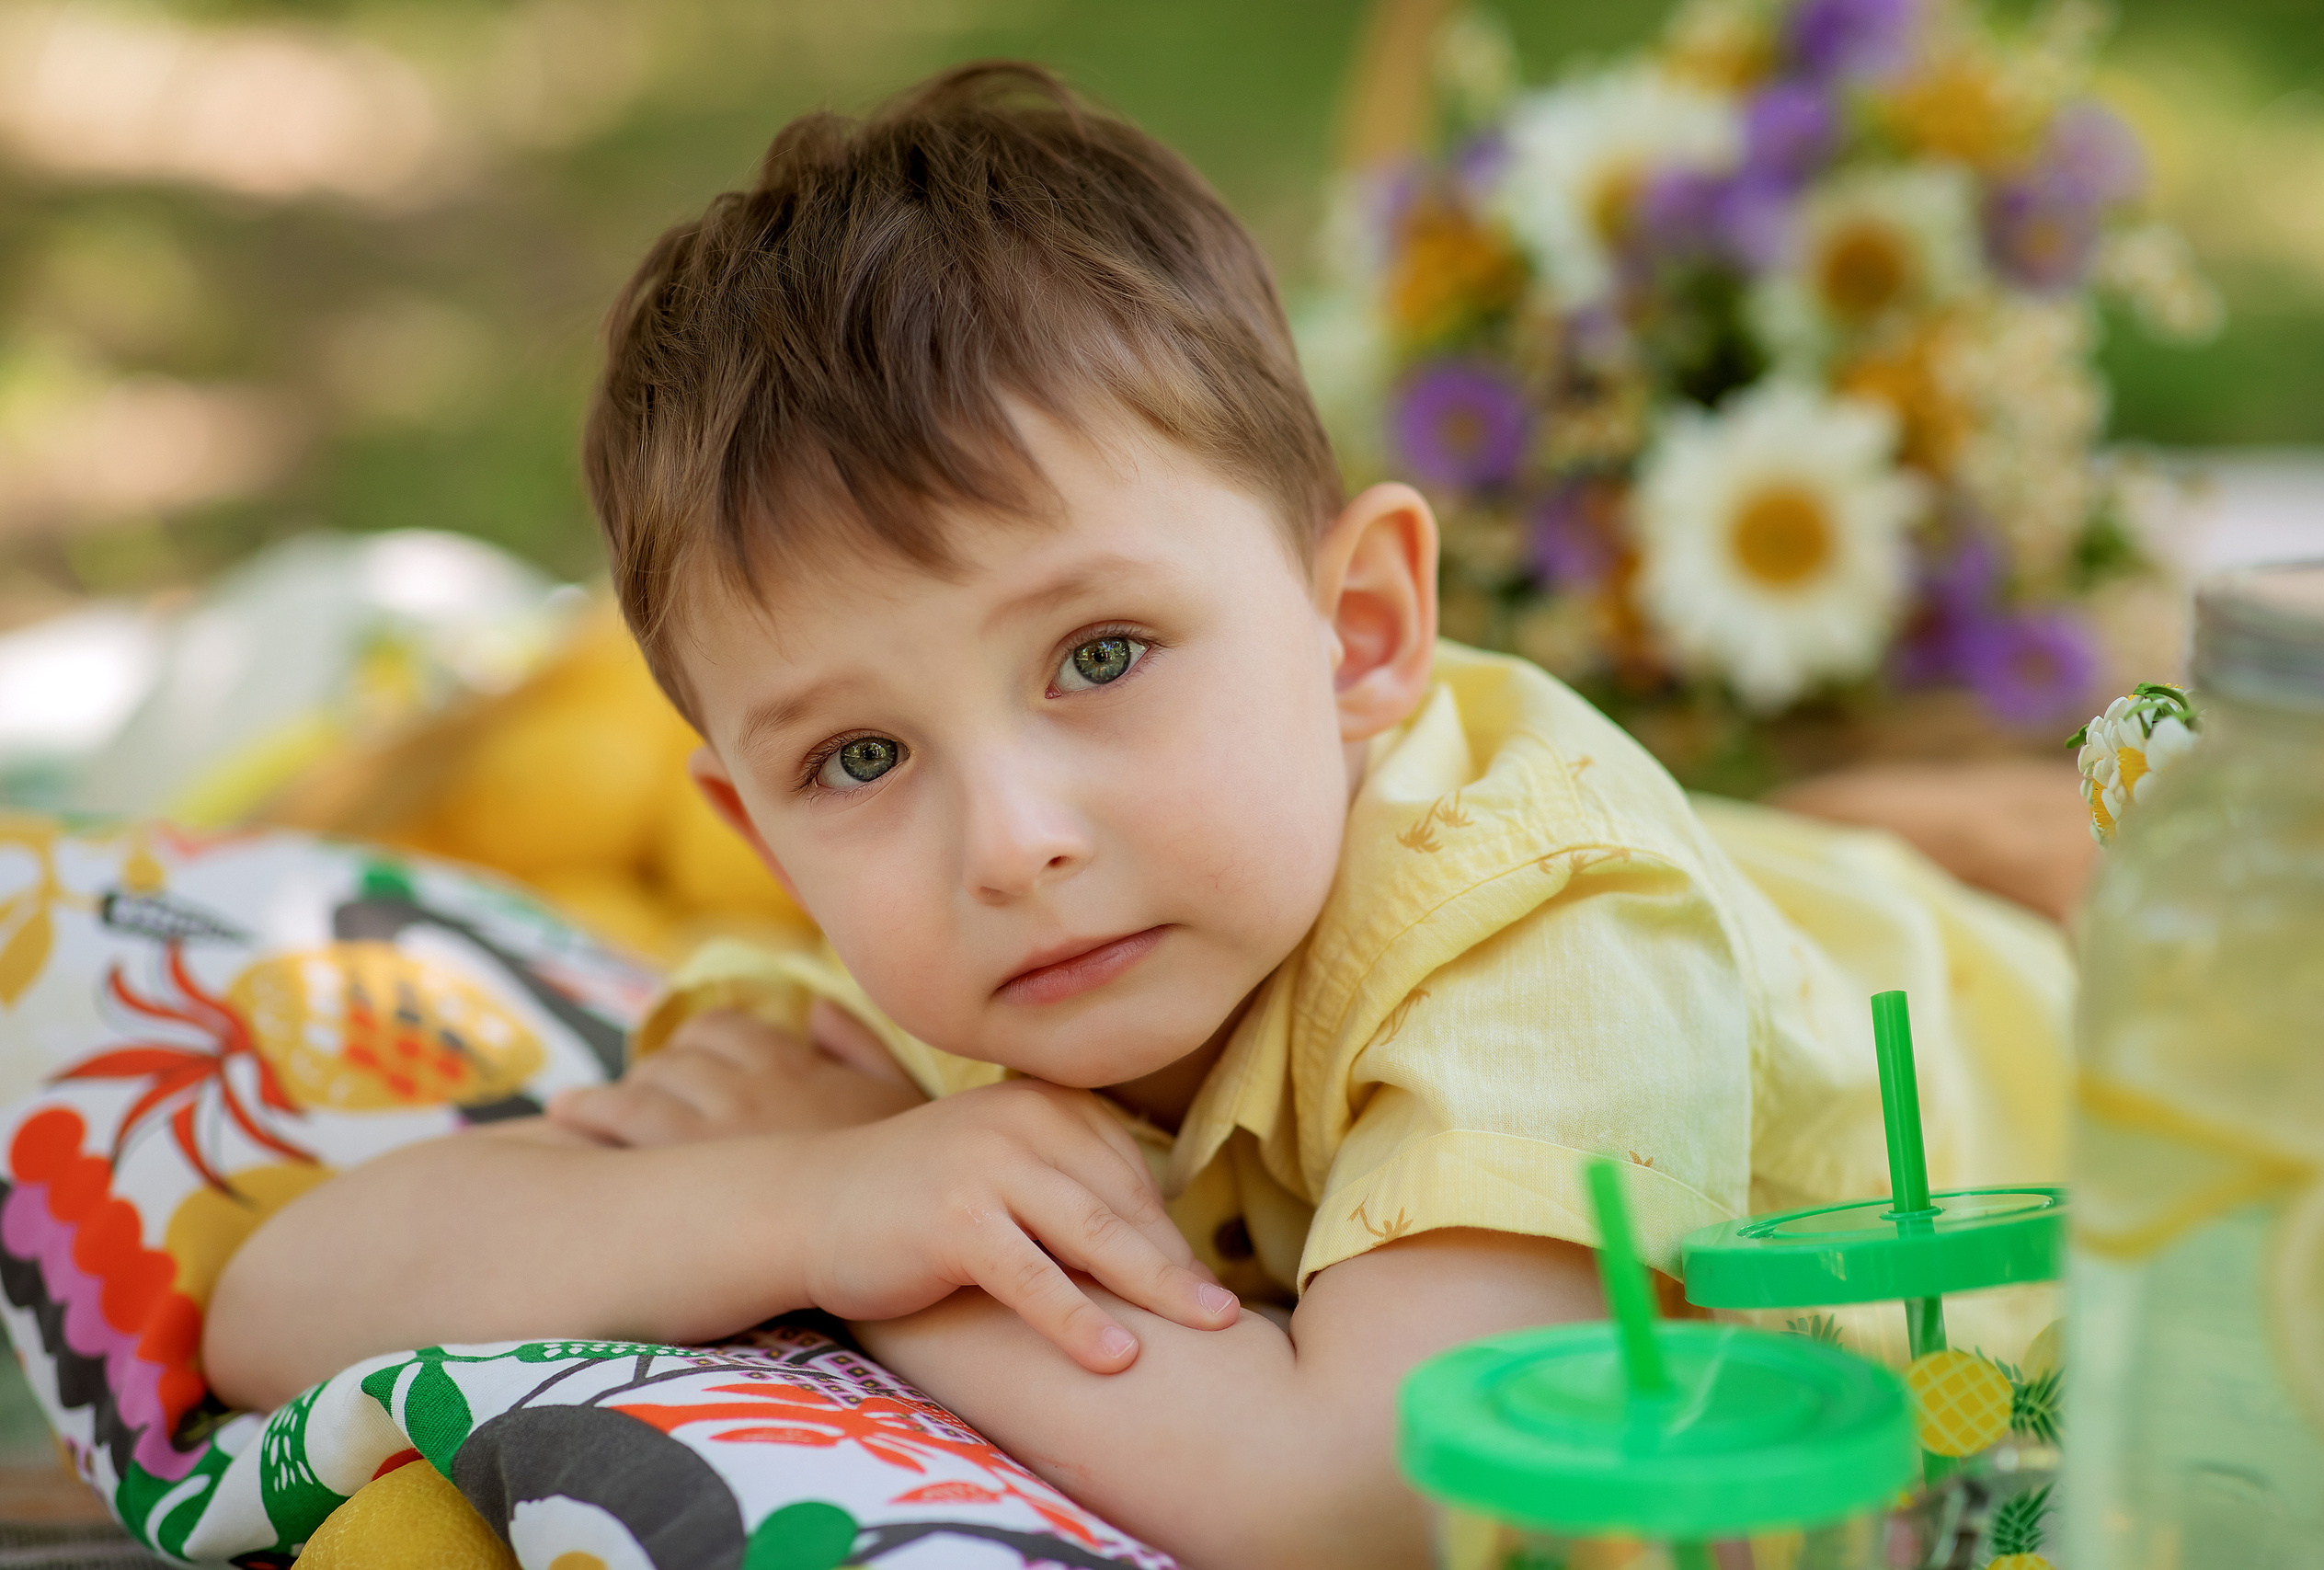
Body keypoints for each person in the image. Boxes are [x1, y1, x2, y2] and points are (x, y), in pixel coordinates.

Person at [204, 63, 2071, 1568]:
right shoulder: (892, 1031)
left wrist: (909, 1257)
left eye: (1098, 652)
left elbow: (1370, 1502)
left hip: (2085, 1076)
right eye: (856, 759)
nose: (1007, 839)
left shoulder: (1546, 931)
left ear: (1357, 631)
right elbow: (285, 1308)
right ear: (761, 834)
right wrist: (812, 1192)